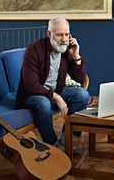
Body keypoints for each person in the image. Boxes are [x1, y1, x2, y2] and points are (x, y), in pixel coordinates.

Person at [16, 17, 89, 148]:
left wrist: (76, 56)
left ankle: (68, 141)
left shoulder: (66, 50)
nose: (64, 39)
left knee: (82, 95)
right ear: (49, 34)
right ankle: (53, 145)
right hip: (32, 96)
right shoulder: (34, 50)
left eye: (67, 34)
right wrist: (56, 97)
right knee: (43, 103)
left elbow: (79, 78)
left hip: (56, 91)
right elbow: (31, 85)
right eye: (60, 35)